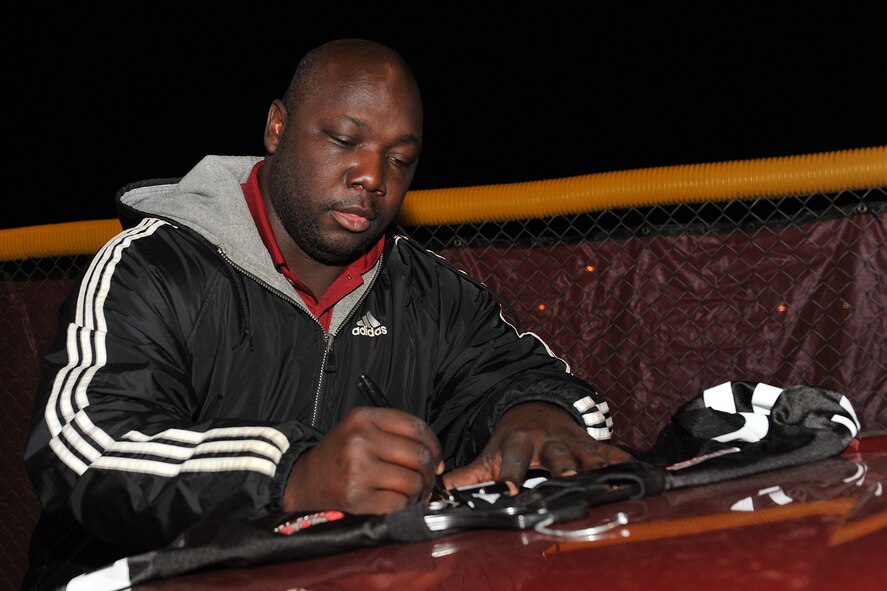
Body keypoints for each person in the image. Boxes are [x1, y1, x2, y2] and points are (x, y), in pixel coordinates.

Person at [23, 38, 632, 588]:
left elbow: (537, 383)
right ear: (277, 127)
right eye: (345, 140)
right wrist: (291, 477)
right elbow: (83, 447)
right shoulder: (154, 266)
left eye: (400, 159)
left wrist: (540, 418)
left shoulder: (432, 293)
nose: (372, 175)